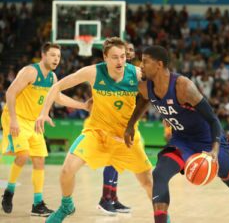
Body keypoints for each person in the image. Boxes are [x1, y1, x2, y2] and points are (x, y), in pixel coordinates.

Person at [124, 45, 229, 223]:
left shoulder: (183, 87)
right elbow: (143, 100)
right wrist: (130, 125)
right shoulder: (144, 86)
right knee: (159, 174)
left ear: (159, 64)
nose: (140, 65)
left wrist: (214, 149)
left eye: (145, 61)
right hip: (182, 141)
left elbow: (213, 120)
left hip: (209, 141)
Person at [35, 37, 153, 223]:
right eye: (114, 57)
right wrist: (43, 113)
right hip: (97, 133)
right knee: (66, 170)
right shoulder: (93, 73)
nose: (120, 61)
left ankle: (163, 217)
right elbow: (57, 86)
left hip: (126, 138)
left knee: (148, 183)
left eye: (122, 57)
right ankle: (67, 205)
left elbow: (153, 95)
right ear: (105, 57)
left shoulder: (136, 75)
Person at [1, 42, 90, 217]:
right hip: (17, 118)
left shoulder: (52, 78)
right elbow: (10, 93)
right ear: (43, 56)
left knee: (39, 161)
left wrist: (83, 106)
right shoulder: (30, 72)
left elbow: (58, 97)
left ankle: (37, 204)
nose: (56, 59)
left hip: (35, 122)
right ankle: (9, 192)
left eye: (58, 56)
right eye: (52, 55)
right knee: (23, 154)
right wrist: (12, 119)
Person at [98, 41, 136, 215]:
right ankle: (105, 199)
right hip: (108, 124)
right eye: (124, 51)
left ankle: (112, 197)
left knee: (117, 162)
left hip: (125, 124)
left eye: (129, 52)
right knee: (112, 160)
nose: (127, 54)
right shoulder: (106, 72)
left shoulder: (134, 73)